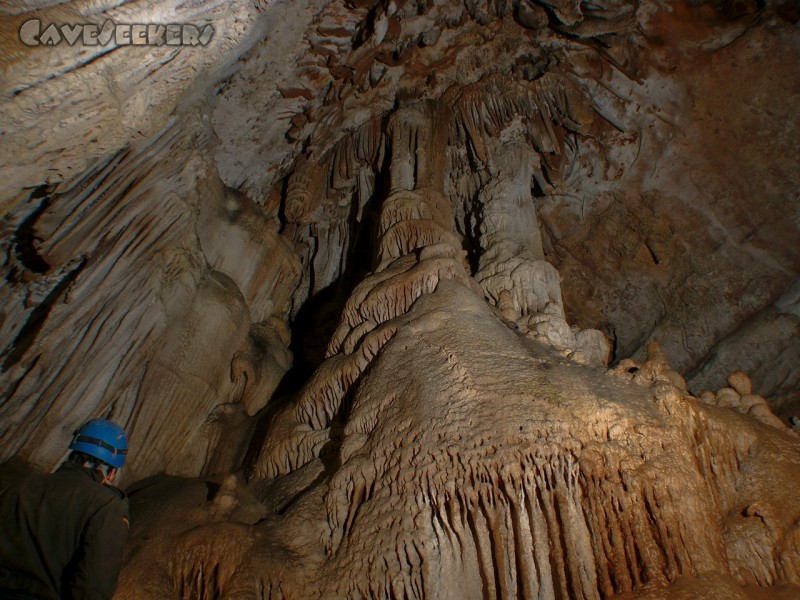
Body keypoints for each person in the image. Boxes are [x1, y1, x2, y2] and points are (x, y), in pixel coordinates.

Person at [0, 419, 130, 600]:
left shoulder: (20, 487)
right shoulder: (106, 506)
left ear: (73, 454)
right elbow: (93, 587)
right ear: (112, 472)